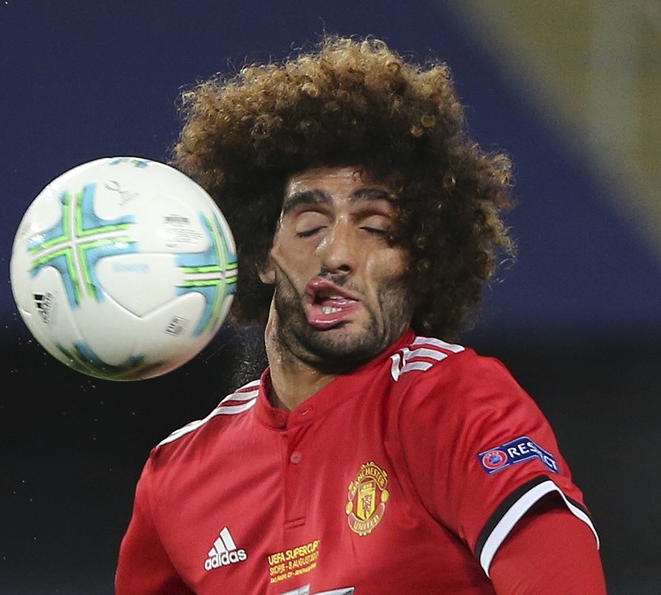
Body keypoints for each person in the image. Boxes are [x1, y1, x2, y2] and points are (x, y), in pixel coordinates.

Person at [116, 35, 606, 594]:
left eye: (376, 228)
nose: (339, 254)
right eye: (309, 227)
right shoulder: (177, 478)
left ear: (422, 259)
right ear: (258, 256)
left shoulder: (451, 400)